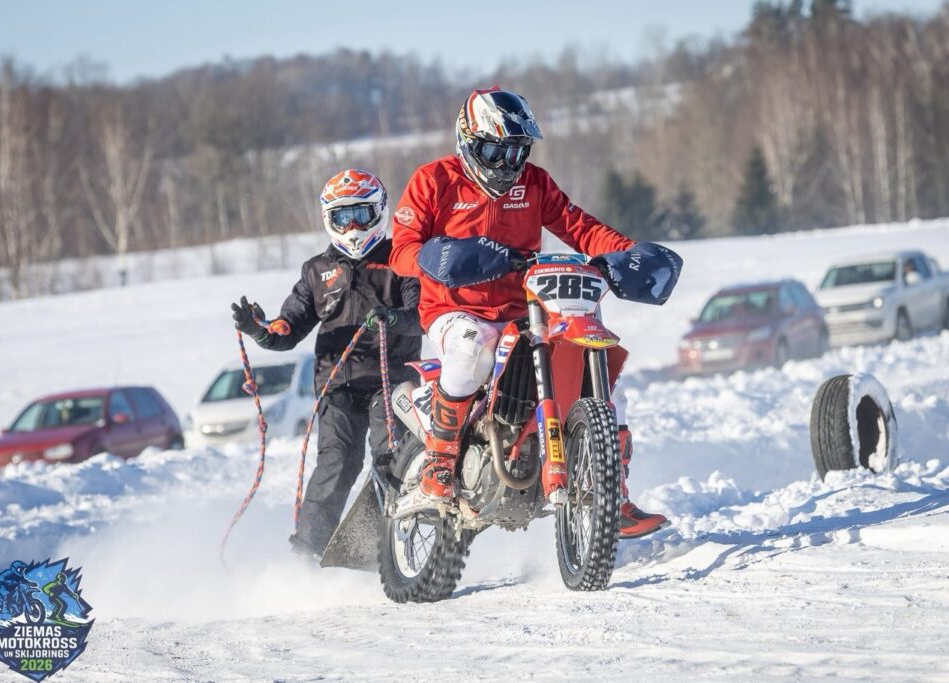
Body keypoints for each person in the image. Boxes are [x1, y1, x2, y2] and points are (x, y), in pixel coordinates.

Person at [389, 87, 672, 539]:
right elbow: (402, 248)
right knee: (469, 351)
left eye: (515, 151)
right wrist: (432, 257)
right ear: (467, 140)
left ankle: (610, 496)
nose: (504, 163)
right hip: (455, 308)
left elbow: (580, 227)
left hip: (525, 309)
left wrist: (627, 253)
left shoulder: (534, 184)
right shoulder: (432, 180)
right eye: (492, 150)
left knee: (601, 379)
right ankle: (438, 467)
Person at [232, 169, 422, 558]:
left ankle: (393, 545)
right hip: (337, 387)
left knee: (393, 458)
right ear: (327, 220)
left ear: (380, 213)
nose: (352, 227)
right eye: (342, 217)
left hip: (393, 380)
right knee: (336, 466)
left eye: (361, 216)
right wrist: (258, 329)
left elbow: (425, 312)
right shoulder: (317, 270)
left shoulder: (401, 259)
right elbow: (289, 326)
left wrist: (394, 318)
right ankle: (306, 552)